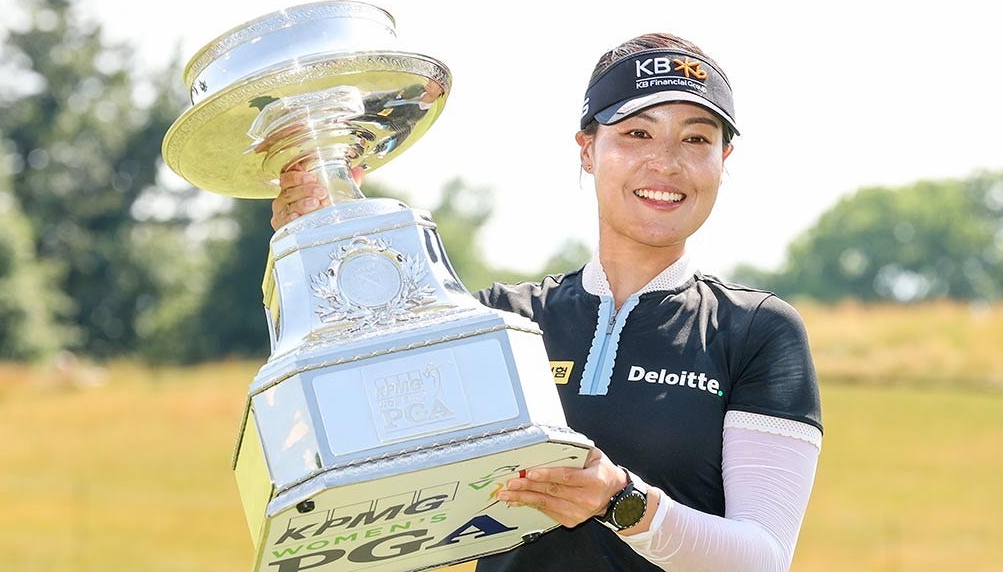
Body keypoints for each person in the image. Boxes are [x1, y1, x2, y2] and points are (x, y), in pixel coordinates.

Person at [271, 33, 823, 571]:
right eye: (636, 134)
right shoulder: (498, 321)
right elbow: (355, 400)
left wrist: (622, 502)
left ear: (724, 158)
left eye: (697, 139)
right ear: (588, 150)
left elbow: (762, 559)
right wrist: (320, 238)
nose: (667, 164)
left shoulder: (756, 331)